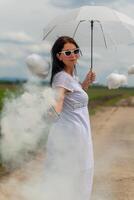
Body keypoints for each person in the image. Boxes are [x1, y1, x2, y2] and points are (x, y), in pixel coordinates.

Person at [43, 36, 96, 200]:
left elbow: (73, 100)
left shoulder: (71, 79)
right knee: (74, 177)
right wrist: (46, 118)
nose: (73, 55)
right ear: (59, 56)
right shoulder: (61, 78)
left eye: (75, 51)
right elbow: (59, 101)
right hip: (71, 136)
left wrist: (85, 84)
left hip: (79, 134)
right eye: (68, 52)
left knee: (79, 175)